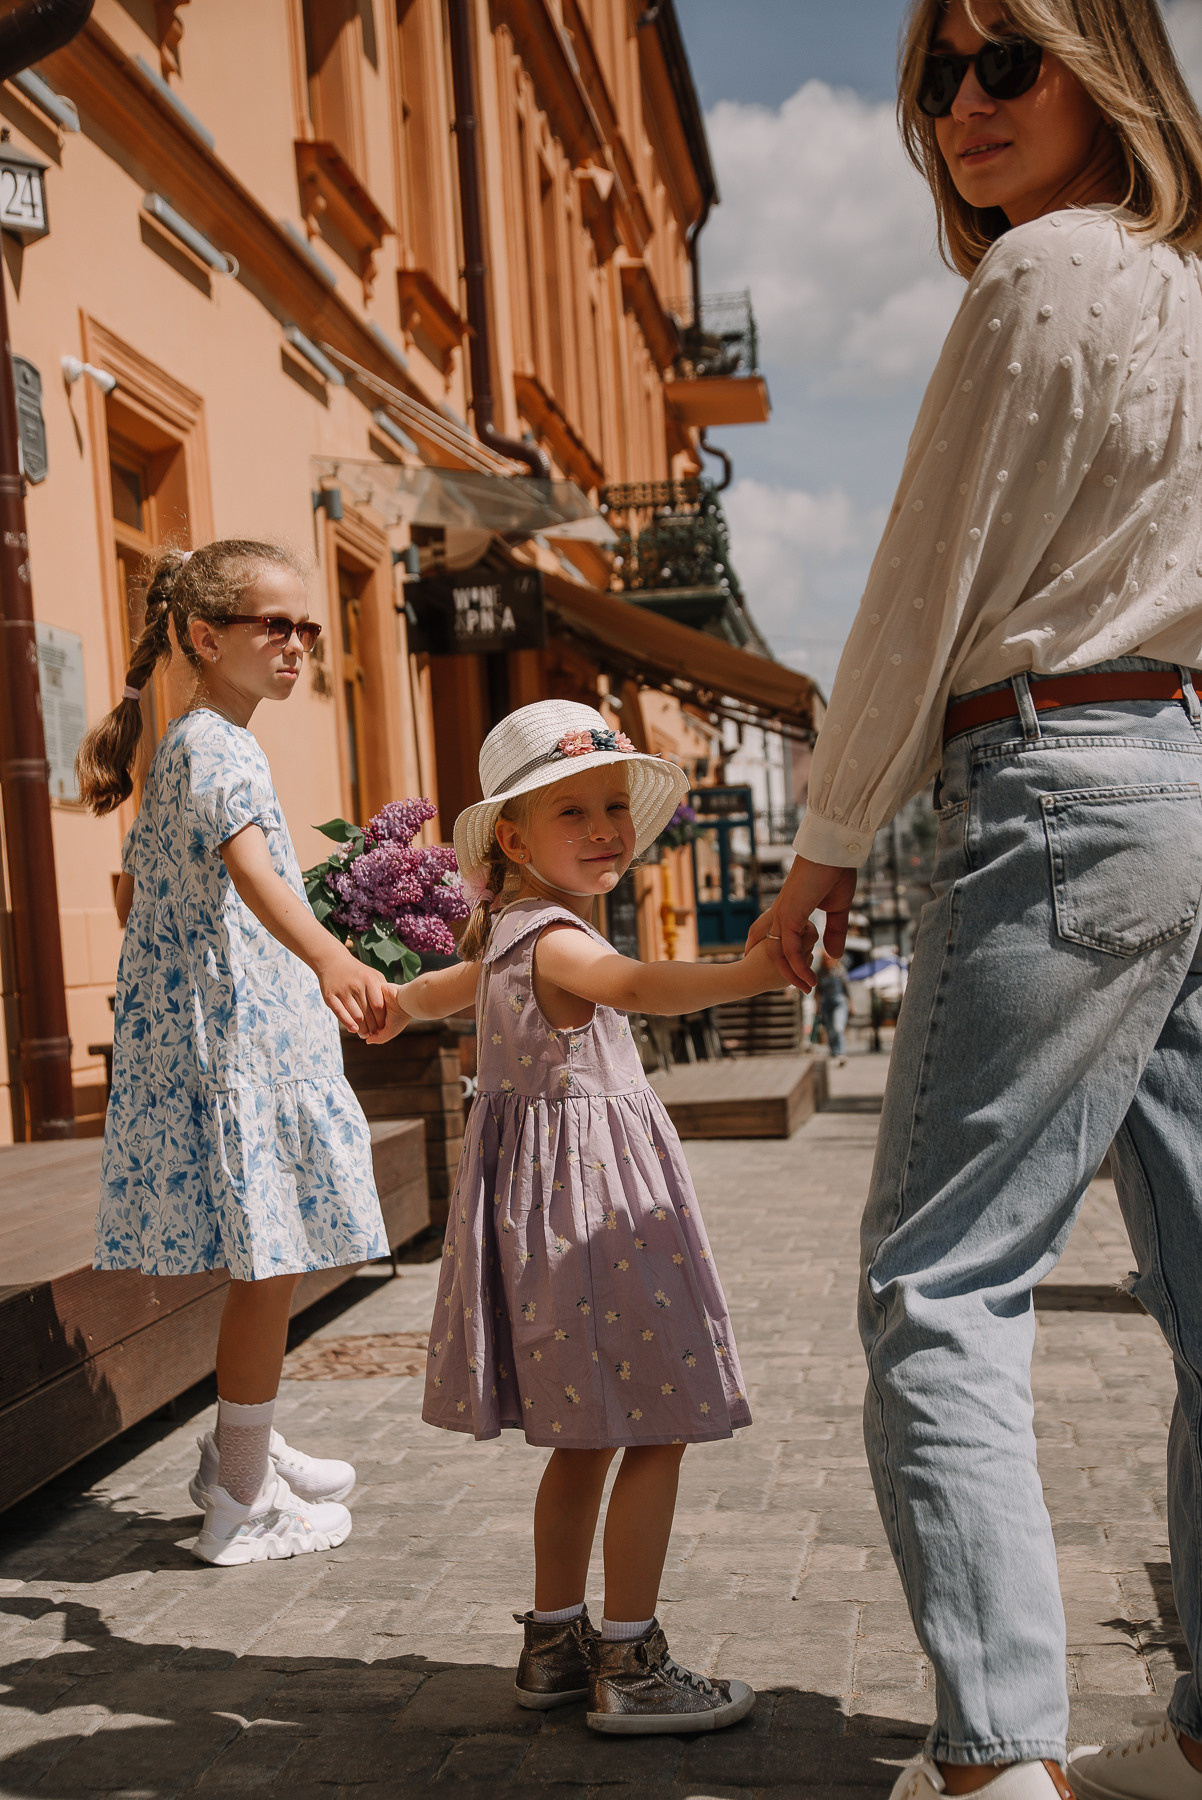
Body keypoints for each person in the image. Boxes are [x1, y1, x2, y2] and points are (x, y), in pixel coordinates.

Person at [749, 4, 1202, 1799]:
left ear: (1110, 62)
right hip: (1185, 783)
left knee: (937, 1277)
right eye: (933, 77)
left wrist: (827, 838)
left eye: (1001, 57)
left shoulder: (1040, 279)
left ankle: (1003, 1764)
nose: (959, 106)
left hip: (1063, 782)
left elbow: (920, 575)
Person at [366, 699, 784, 1734]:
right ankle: (632, 1666)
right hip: (600, 1228)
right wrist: (750, 969)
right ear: (510, 838)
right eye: (572, 812)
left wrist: (392, 1000)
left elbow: (440, 990)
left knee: (584, 1440)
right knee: (658, 1428)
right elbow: (634, 983)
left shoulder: (507, 939)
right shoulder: (557, 943)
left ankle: (554, 1645)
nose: (604, 828)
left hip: (546, 1234)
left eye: (612, 807)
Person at [77, 541, 390, 1567]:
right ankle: (241, 1501)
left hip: (233, 1038)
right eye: (275, 626)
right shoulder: (216, 746)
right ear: (207, 638)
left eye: (306, 626)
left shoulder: (197, 744)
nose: (297, 643)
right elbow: (253, 872)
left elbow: (139, 893)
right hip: (242, 1048)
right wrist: (330, 958)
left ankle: (240, 1446)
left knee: (275, 1256)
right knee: (273, 1260)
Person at [816, 952, 852, 1064]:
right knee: (830, 1031)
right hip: (825, 1003)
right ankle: (834, 1052)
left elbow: (846, 989)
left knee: (838, 1028)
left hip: (839, 1002)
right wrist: (817, 1006)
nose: (828, 961)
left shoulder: (840, 971)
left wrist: (851, 1005)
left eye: (830, 959)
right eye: (826, 959)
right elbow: (818, 992)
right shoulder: (820, 973)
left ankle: (841, 1053)